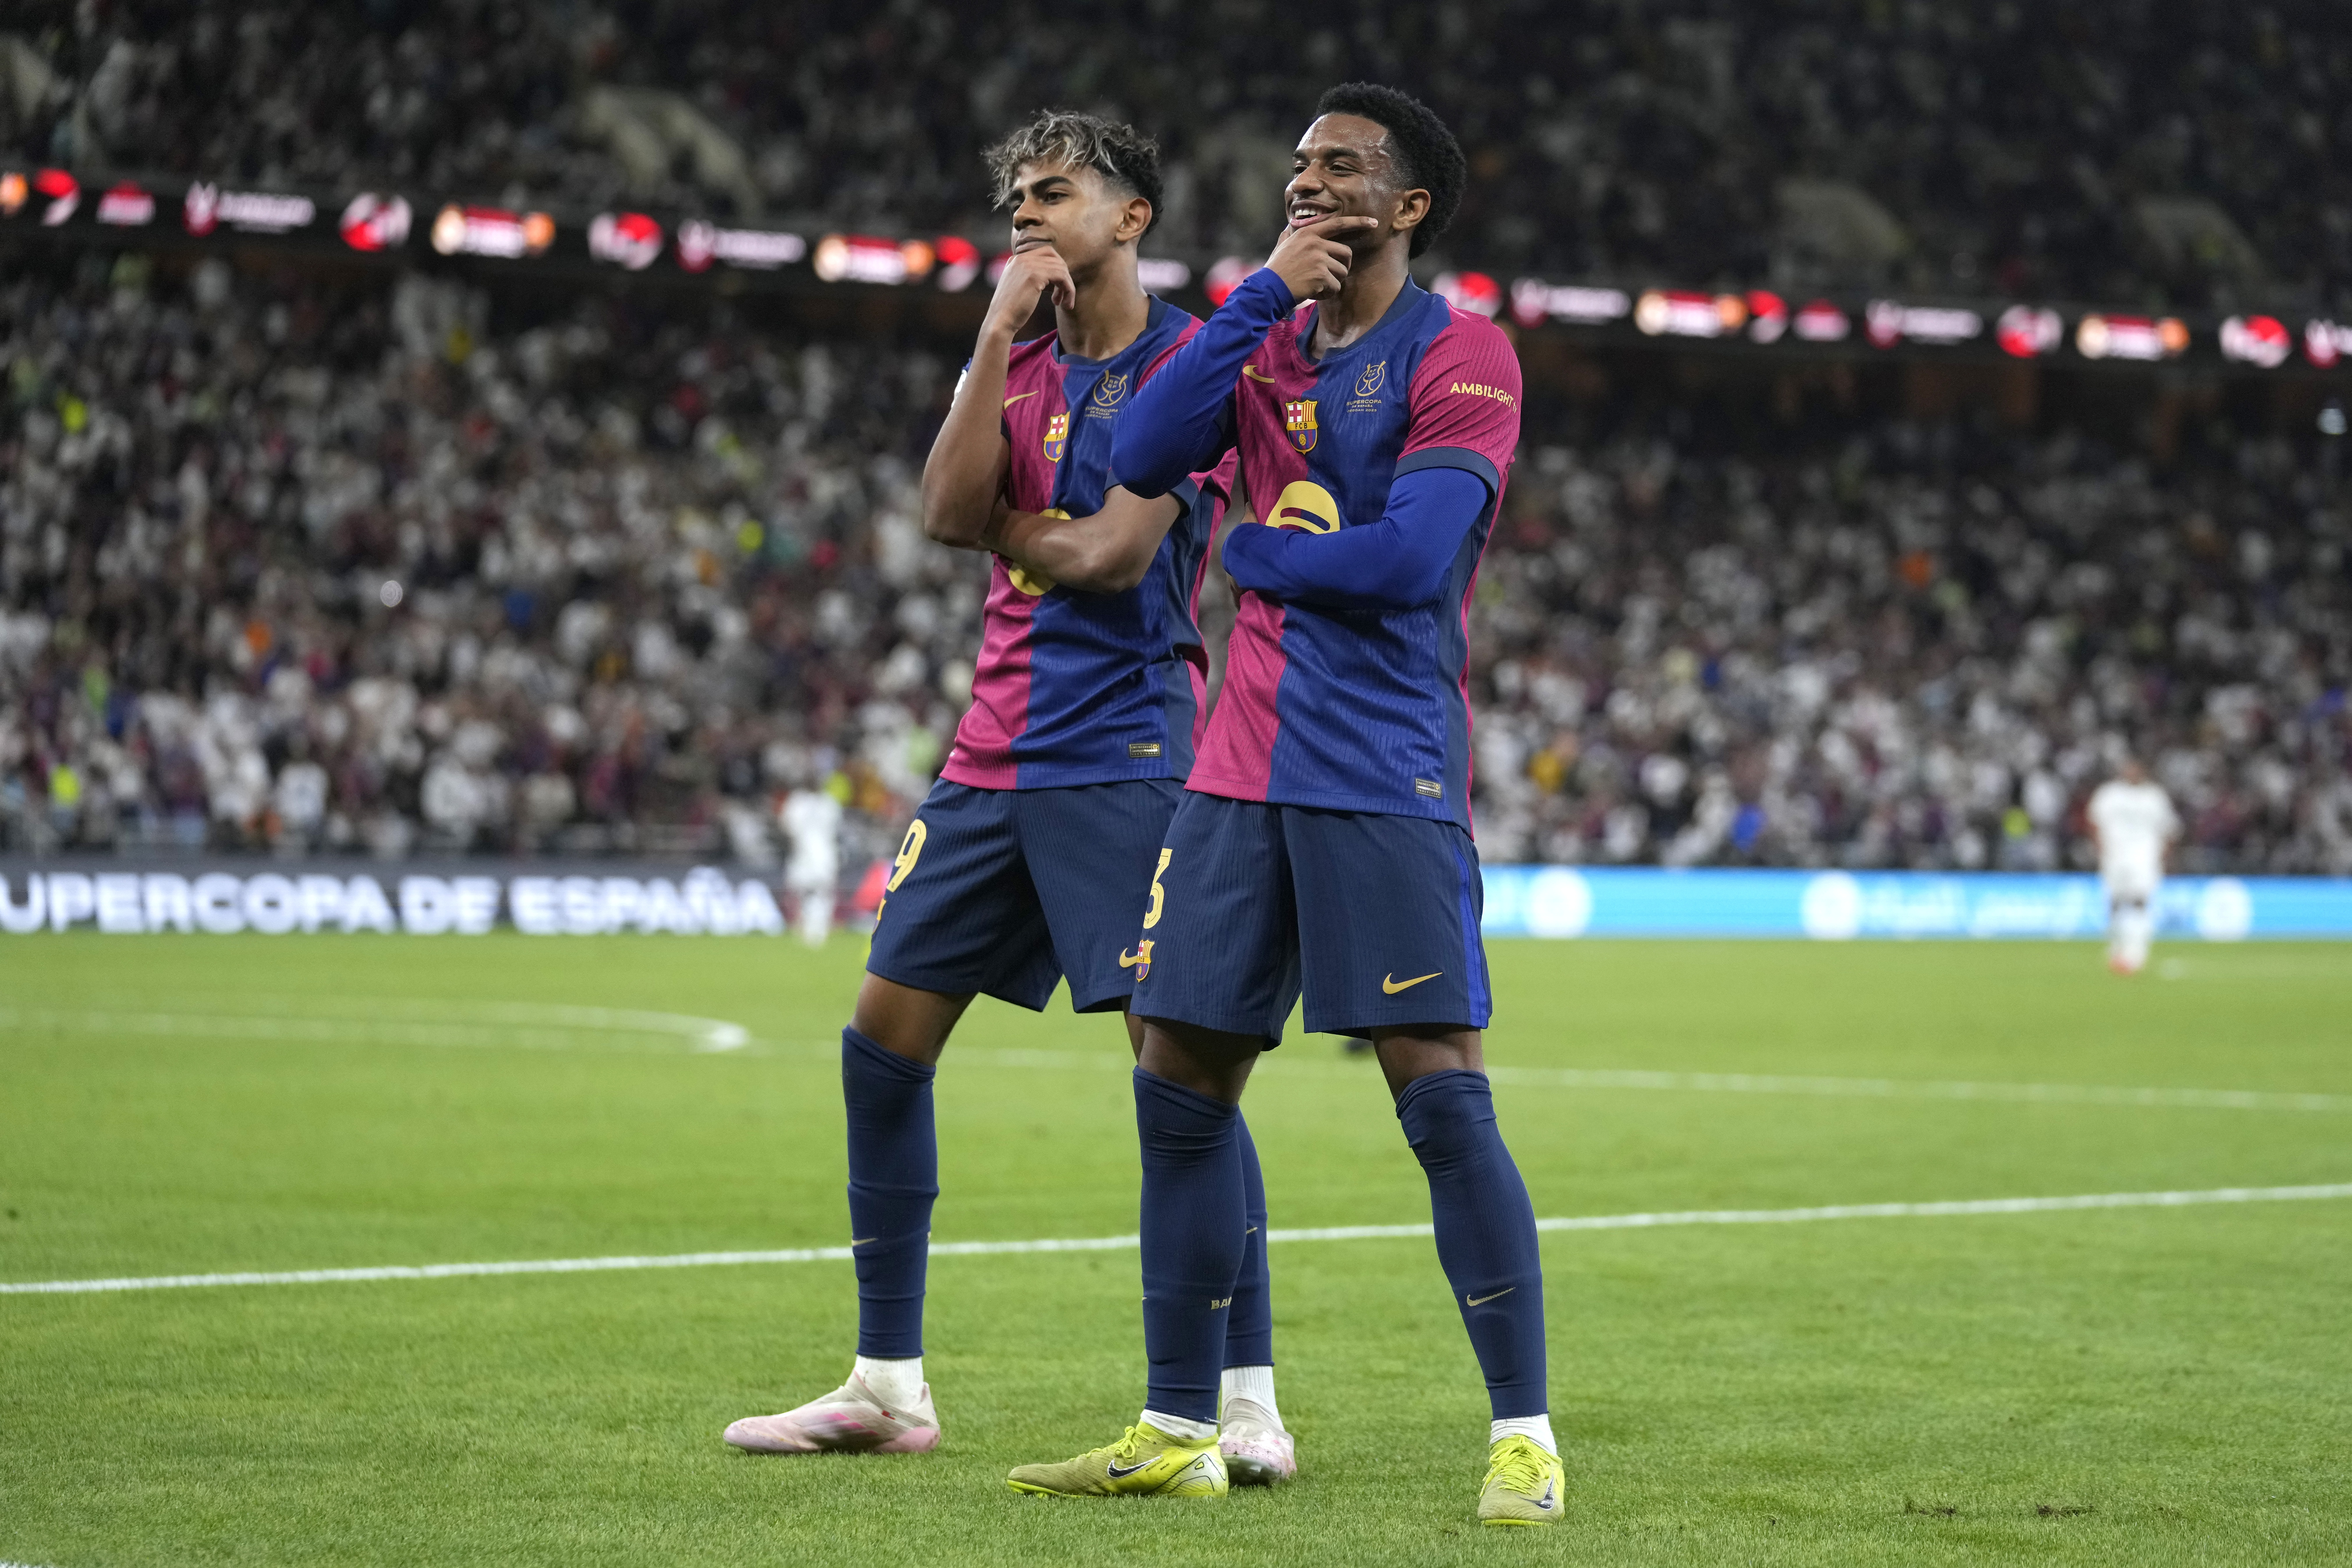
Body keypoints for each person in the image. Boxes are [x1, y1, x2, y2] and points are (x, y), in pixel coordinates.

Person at [1008, 83, 1563, 1526]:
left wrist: (1258, 556)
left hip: (1379, 774)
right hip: (1228, 780)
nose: (1305, 183)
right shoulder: (1250, 341)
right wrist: (1259, 296)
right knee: (1177, 1091)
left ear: (1407, 207)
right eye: (1297, 166)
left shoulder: (1461, 353)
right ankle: (1177, 1424)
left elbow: (1409, 558)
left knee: (1438, 1098)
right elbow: (1136, 460)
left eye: (1339, 170)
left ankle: (1522, 1437)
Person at [722, 109, 1297, 1487]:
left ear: (1134, 216)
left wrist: (1010, 527)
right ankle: (886, 1381)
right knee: (880, 1040)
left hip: (1127, 759)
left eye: (1058, 195)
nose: (1030, 219)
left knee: (1184, 1072)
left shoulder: (1195, 368)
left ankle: (1246, 1396)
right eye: (1020, 200)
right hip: (992, 755)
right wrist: (989, 341)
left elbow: (1107, 555)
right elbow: (940, 508)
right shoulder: (1020, 361)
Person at [2086, 756, 2179, 974]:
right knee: (2115, 901)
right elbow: (2093, 822)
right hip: (2114, 856)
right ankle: (2118, 944)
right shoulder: (2109, 794)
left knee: (2140, 900)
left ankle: (2136, 950)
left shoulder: (2154, 797)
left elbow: (2169, 829)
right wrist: (2100, 848)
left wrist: (2163, 857)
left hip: (2144, 858)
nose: (2132, 772)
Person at [779, 778, 844, 948]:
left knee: (809, 895)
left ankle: (811, 932)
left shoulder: (798, 803)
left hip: (806, 857)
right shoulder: (829, 804)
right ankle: (816, 931)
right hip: (822, 858)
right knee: (820, 895)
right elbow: (837, 831)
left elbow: (787, 829)